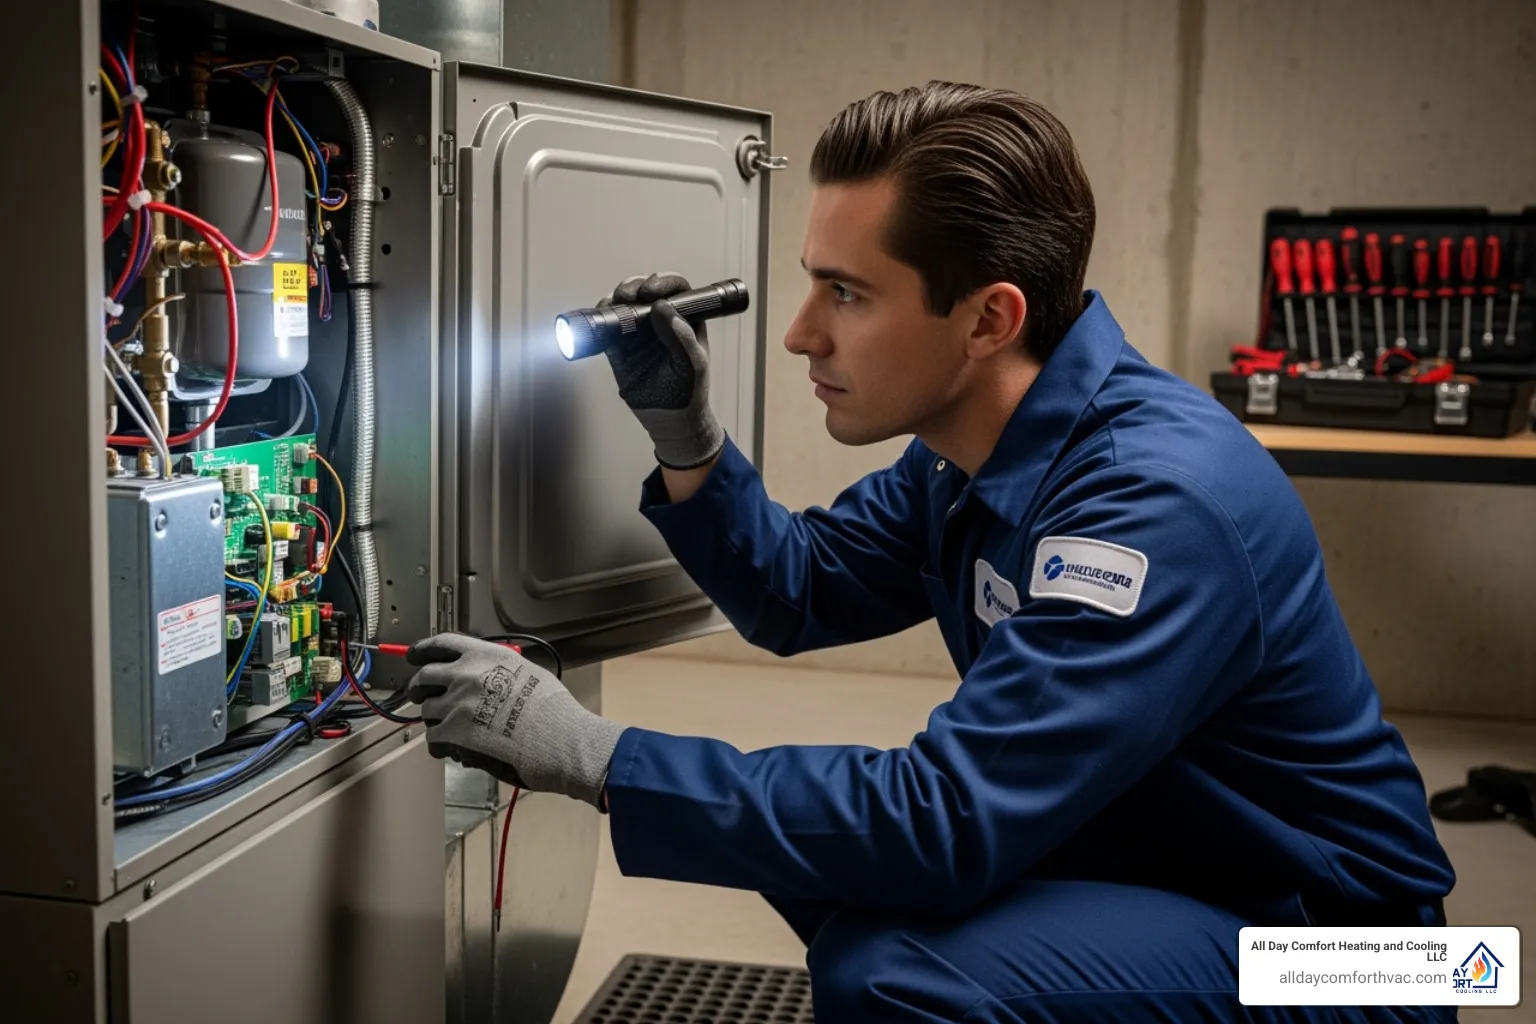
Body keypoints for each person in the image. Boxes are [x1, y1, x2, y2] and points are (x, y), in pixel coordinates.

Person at [403, 82, 1457, 1022]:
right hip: (1163, 863)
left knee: (898, 971)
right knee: (830, 867)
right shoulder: (975, 454)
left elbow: (946, 821)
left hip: (1346, 955)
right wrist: (687, 434)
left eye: (848, 293)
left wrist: (595, 757)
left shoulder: (1153, 506)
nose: (800, 332)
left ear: (989, 319)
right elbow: (800, 589)